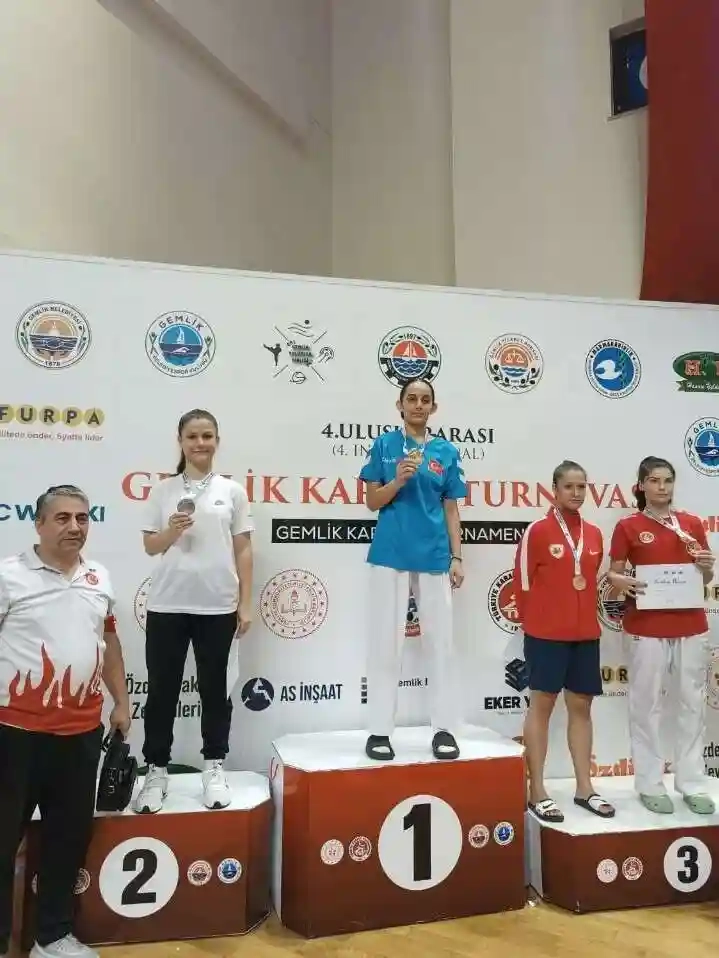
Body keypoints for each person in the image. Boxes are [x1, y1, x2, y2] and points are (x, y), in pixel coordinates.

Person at [0, 485, 130, 958]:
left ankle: (52, 938)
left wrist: (122, 702)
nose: (75, 527)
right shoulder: (8, 576)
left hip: (80, 736)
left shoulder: (99, 577)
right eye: (62, 518)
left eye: (82, 518)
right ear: (38, 524)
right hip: (15, 735)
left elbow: (108, 642)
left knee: (67, 840)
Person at [133, 409, 254, 814]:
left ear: (217, 440)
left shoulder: (232, 491)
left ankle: (214, 766)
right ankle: (156, 771)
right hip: (167, 604)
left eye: (207, 436)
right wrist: (172, 531)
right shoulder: (163, 490)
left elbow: (243, 549)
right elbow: (151, 546)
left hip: (218, 605)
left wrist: (245, 602)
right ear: (180, 441)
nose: (200, 443)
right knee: (161, 692)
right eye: (192, 437)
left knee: (215, 692)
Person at [359, 378, 466, 762]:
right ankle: (379, 731)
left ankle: (444, 729)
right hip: (390, 553)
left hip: (434, 555)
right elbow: (372, 501)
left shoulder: (446, 451)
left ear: (433, 407)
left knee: (440, 645)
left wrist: (457, 557)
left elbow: (451, 509)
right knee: (385, 645)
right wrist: (398, 480)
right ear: (400, 405)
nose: (418, 405)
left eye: (425, 400)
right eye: (412, 399)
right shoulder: (384, 446)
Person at [608, 456, 715, 815]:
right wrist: (619, 580)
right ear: (641, 485)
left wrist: (706, 568)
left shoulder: (692, 524)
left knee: (692, 705)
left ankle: (692, 783)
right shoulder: (628, 526)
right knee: (646, 706)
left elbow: (705, 578)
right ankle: (650, 783)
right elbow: (614, 574)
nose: (662, 487)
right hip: (646, 626)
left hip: (691, 626)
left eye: (667, 480)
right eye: (654, 480)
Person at [515, 461, 614, 823]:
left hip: (585, 635)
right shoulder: (538, 531)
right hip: (545, 636)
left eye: (581, 487)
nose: (576, 493)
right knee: (541, 706)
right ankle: (537, 790)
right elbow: (522, 583)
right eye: (569, 487)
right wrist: (537, 626)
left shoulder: (594, 534)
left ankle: (585, 787)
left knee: (582, 708)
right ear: (554, 490)